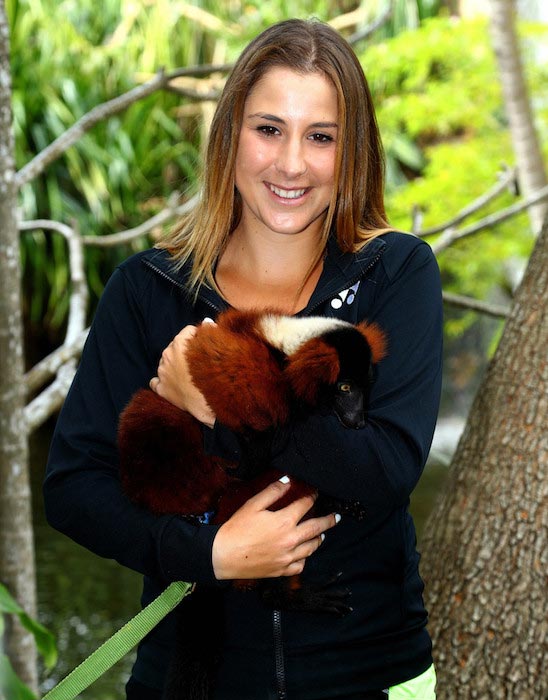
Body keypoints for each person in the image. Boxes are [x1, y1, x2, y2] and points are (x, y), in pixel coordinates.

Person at [44, 18, 442, 700]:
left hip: (364, 674)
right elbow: (74, 488)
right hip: (189, 676)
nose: (291, 163)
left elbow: (386, 471)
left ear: (352, 153)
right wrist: (210, 556)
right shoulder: (150, 290)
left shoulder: (394, 273)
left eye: (321, 136)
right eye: (268, 129)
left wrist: (217, 403)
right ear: (229, 137)